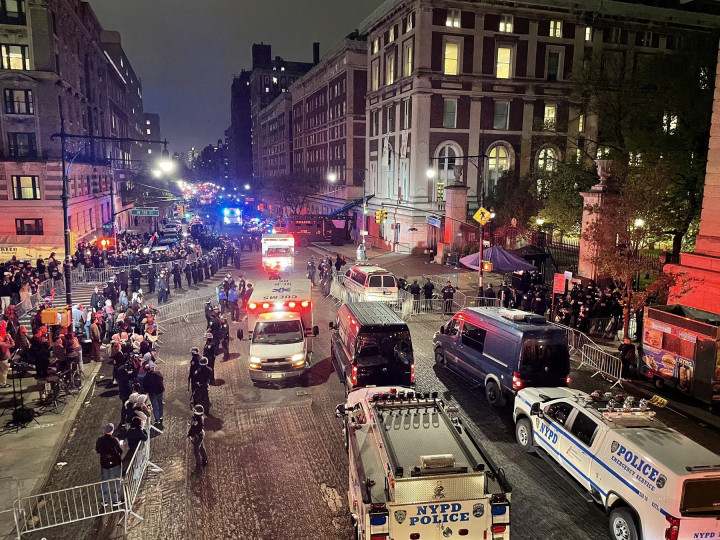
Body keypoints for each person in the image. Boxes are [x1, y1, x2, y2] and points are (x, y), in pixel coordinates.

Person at [95, 423, 124, 508]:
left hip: (104, 464)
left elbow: (97, 450)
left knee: (105, 482)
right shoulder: (114, 440)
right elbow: (120, 450)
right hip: (115, 463)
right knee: (116, 481)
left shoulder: (100, 440)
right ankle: (116, 500)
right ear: (112, 430)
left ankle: (105, 500)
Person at [187, 404, 208, 470]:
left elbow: (193, 428)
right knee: (201, 447)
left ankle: (199, 464)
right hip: (201, 434)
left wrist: (190, 434)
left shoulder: (196, 420)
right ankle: (205, 459)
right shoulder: (200, 417)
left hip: (197, 436)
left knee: (196, 451)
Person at [0, 320, 14, 387]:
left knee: (2, 371)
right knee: (4, 371)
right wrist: (9, 337)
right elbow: (12, 344)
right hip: (3, 358)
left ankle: (2, 382)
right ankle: (3, 384)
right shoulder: (2, 344)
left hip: (2, 358)